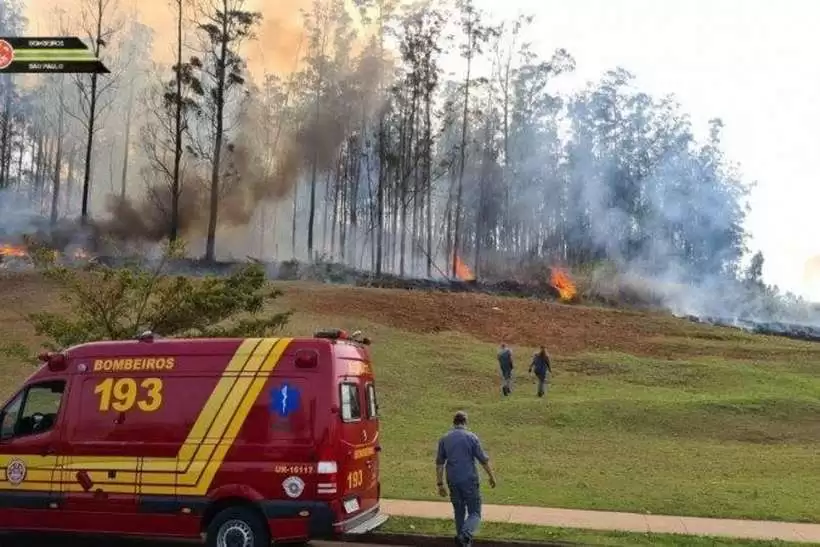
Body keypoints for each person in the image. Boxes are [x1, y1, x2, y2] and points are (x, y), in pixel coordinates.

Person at [435, 411, 496, 547]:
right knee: (475, 512)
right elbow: (483, 460)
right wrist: (491, 477)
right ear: (465, 422)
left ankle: (462, 542)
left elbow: (439, 463)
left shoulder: (444, 439)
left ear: (454, 422)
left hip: (452, 480)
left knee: (459, 512)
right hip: (469, 479)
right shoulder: (471, 437)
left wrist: (440, 484)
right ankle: (465, 535)